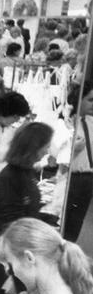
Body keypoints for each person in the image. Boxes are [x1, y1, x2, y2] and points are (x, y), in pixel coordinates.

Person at [0, 122, 54, 294]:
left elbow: (25, 214)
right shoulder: (9, 177)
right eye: (45, 146)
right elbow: (11, 223)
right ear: (33, 147)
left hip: (17, 250)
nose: (47, 151)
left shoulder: (25, 172)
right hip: (6, 254)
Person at [63, 81, 93, 242]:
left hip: (88, 179)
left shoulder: (90, 121)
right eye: (90, 100)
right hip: (71, 177)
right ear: (78, 99)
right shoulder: (66, 123)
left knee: (77, 222)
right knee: (64, 222)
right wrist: (73, 148)